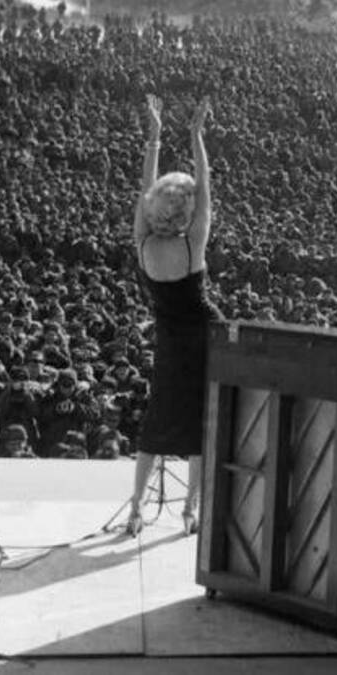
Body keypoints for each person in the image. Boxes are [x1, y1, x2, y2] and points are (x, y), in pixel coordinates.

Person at [127, 94, 223, 536]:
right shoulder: (193, 243)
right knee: (200, 420)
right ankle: (191, 511)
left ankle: (134, 510)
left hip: (168, 339)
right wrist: (197, 135)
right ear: (185, 210)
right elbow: (206, 187)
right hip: (203, 335)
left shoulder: (144, 244)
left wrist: (155, 139)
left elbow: (144, 193)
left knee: (158, 417)